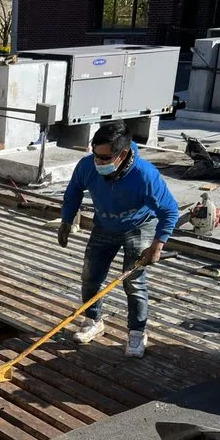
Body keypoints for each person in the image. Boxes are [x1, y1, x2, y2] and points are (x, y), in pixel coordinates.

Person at [58, 121, 179, 359]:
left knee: (133, 282)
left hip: (139, 226)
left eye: (104, 158)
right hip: (104, 225)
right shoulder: (87, 166)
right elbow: (73, 191)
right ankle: (93, 320)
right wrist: (66, 220)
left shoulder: (145, 175)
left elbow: (170, 211)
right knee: (90, 276)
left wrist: (157, 246)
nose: (98, 162)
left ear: (122, 154)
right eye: (95, 155)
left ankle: (137, 331)